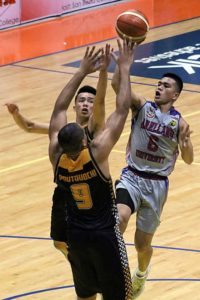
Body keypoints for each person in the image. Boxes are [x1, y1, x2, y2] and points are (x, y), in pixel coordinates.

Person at [48, 39, 135, 300]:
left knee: (85, 295)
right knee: (121, 295)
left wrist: (80, 70)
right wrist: (125, 67)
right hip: (105, 236)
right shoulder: (97, 153)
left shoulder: (56, 156)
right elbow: (121, 110)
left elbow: (59, 109)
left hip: (76, 237)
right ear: (85, 140)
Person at [5, 45, 110, 258]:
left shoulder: (95, 128)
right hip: (66, 191)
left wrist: (101, 73)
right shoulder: (65, 135)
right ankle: (80, 265)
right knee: (59, 242)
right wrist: (17, 114)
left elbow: (98, 104)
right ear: (74, 106)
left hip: (91, 192)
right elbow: (30, 127)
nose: (86, 104)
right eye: (81, 100)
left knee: (96, 241)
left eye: (90, 101)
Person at [112, 47, 194, 298]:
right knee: (119, 219)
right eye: (158, 84)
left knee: (142, 244)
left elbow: (189, 161)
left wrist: (185, 144)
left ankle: (141, 273)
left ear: (176, 94)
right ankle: (113, 270)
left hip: (157, 185)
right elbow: (118, 87)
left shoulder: (180, 124)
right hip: (132, 177)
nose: (159, 87)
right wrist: (123, 66)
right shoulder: (141, 107)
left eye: (165, 85)